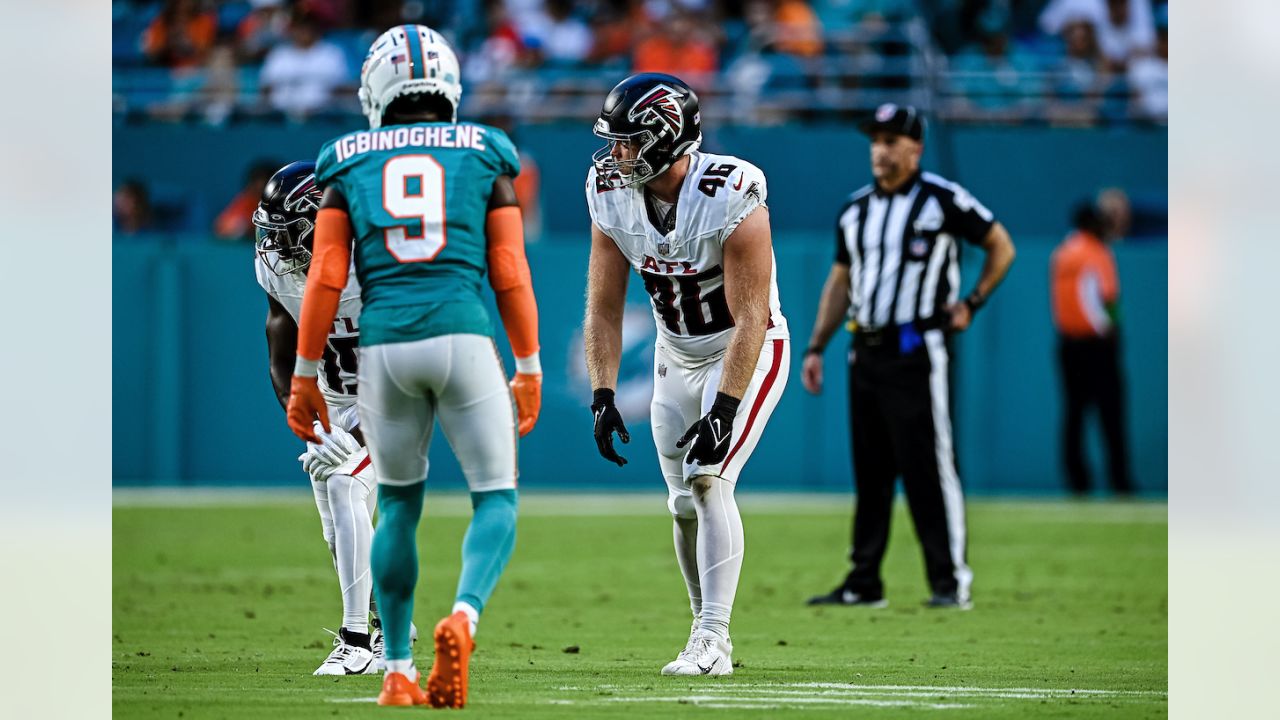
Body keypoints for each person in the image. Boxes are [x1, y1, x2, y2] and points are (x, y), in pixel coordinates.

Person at [285, 25, 542, 709]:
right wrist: (530, 364)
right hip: (462, 333)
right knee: (495, 497)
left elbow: (326, 275)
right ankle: (462, 617)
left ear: (376, 88)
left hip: (382, 346)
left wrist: (306, 372)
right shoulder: (486, 150)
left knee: (396, 504)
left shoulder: (344, 158)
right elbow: (510, 270)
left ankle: (395, 670)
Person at [583, 73, 790, 676]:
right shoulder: (609, 191)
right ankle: (700, 632)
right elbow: (603, 306)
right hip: (675, 353)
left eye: (626, 141)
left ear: (665, 137)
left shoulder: (732, 190)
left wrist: (724, 408)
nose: (615, 154)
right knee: (680, 502)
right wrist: (602, 391)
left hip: (742, 348)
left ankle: (714, 639)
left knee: (708, 479)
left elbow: (752, 315)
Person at [802, 104, 1015, 610]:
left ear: (916, 148)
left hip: (918, 349)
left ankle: (949, 580)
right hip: (865, 348)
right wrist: (817, 345)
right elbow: (841, 281)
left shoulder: (941, 200)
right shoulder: (855, 210)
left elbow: (1000, 245)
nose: (881, 150)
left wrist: (973, 302)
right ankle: (863, 581)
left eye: (892, 140)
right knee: (871, 471)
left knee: (928, 468)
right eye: (876, 141)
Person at [253, 160, 412, 675]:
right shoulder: (277, 269)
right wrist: (312, 426)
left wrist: (360, 430)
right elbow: (280, 347)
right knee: (337, 523)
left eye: (290, 232)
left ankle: (356, 642)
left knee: (346, 486)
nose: (278, 246)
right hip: (335, 399)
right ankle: (387, 618)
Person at [1050, 202, 1132, 495]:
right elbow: (1108, 300)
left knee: (1074, 415)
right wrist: (1114, 332)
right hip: (1097, 346)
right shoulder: (1096, 252)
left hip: (1068, 345)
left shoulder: (1062, 254)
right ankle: (1120, 482)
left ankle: (1077, 483)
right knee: (1111, 415)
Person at [259, 10, 349, 118]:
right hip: (280, 117)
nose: (304, 31)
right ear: (293, 29)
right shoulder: (278, 55)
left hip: (323, 117)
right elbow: (265, 88)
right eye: (300, 27)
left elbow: (341, 88)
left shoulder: (331, 53)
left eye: (307, 27)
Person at [216, 160, 279, 241]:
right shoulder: (248, 199)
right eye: (256, 186)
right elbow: (223, 226)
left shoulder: (286, 203)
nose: (259, 189)